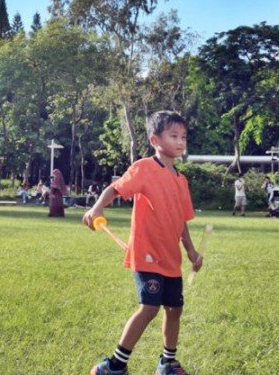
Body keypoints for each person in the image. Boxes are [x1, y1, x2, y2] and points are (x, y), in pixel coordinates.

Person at [83, 110, 202, 375]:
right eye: (173, 136)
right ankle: (114, 365)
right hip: (147, 254)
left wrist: (191, 250)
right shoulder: (145, 168)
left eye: (183, 136)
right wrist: (97, 209)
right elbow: (115, 188)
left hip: (171, 258)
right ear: (154, 140)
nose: (180, 142)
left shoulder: (181, 180)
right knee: (149, 307)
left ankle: (167, 362)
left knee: (175, 309)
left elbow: (182, 220)